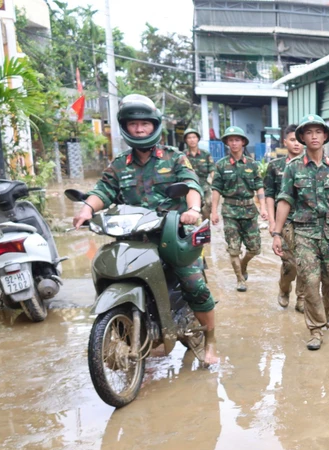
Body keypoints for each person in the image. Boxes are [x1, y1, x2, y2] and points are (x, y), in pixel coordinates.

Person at [72, 94, 218, 365]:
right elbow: (103, 190)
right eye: (133, 124)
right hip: (130, 238)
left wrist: (193, 210)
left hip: (170, 236)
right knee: (108, 272)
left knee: (194, 285)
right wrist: (87, 209)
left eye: (145, 124)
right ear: (125, 127)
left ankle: (210, 340)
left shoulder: (174, 158)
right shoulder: (119, 164)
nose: (139, 129)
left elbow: (191, 185)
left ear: (154, 126)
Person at [273, 114, 329, 351]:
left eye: (318, 132)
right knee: (310, 282)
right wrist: (277, 233)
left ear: (325, 136)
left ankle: (326, 309)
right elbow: (285, 199)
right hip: (304, 234)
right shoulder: (292, 168)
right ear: (302, 137)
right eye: (309, 132)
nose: (314, 136)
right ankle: (316, 329)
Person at [211, 126, 266, 292]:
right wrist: (214, 211)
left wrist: (263, 208)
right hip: (230, 212)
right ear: (227, 143)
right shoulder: (221, 165)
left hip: (249, 211)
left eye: (237, 140)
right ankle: (240, 279)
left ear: (243, 142)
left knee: (255, 249)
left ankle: (244, 264)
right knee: (233, 248)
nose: (234, 143)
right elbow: (216, 189)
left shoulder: (253, 164)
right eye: (230, 140)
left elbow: (259, 187)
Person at [264, 124, 308, 311]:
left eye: (299, 140)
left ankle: (301, 298)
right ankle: (284, 289)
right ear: (285, 142)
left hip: (307, 223)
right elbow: (269, 195)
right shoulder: (275, 166)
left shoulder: (311, 165)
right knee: (290, 264)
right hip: (285, 222)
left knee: (306, 263)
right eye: (292, 140)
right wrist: (273, 224)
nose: (296, 144)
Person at [182, 128, 214, 220]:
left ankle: (206, 229)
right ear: (186, 140)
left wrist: (214, 184)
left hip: (204, 187)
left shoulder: (205, 154)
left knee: (208, 207)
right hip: (188, 188)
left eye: (194, 137)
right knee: (191, 213)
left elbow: (212, 170)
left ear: (198, 139)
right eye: (189, 138)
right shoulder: (182, 155)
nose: (192, 140)